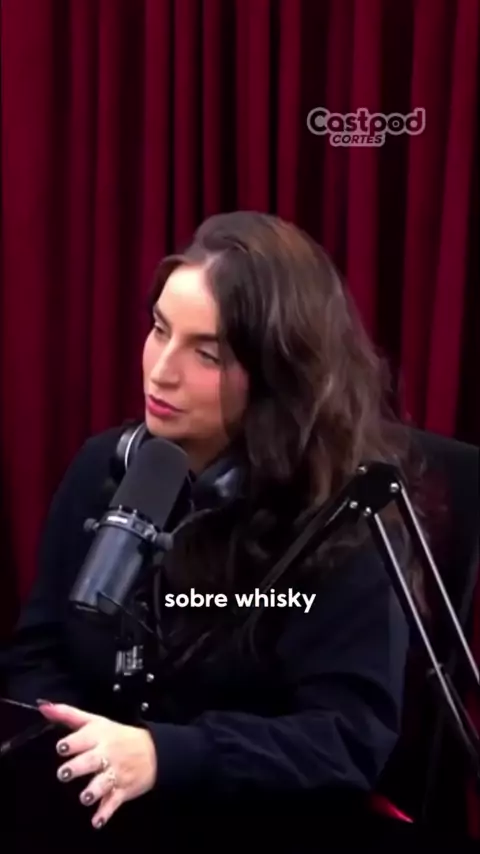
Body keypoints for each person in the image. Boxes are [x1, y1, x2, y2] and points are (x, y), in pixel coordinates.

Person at [1, 211, 413, 851]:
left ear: (277, 376)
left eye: (207, 354)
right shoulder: (103, 468)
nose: (161, 371)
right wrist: (70, 747)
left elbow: (344, 739)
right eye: (159, 329)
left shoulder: (343, 523)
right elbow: (39, 651)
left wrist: (163, 755)